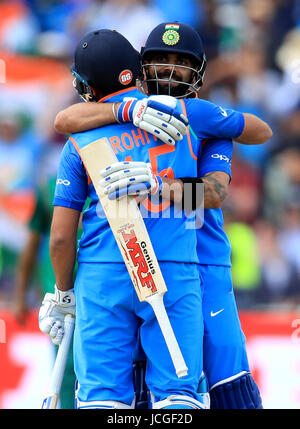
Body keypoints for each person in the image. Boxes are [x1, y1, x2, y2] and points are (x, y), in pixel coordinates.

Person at [54, 23, 272, 409]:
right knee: (150, 393)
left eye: (180, 63)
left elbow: (216, 194)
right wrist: (131, 107)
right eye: (159, 60)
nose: (169, 70)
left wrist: (159, 186)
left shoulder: (199, 116)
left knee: (224, 387)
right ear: (140, 67)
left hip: (200, 264)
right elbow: (64, 121)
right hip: (144, 262)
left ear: (199, 72)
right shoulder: (116, 113)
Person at [13, 176, 76, 409]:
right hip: (65, 298)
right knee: (67, 373)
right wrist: (20, 294)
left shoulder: (108, 184)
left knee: (69, 374)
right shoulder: (49, 187)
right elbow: (33, 244)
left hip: (91, 296)